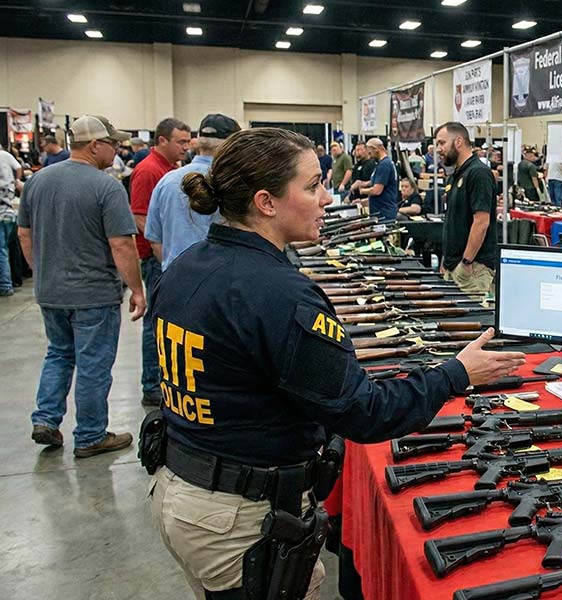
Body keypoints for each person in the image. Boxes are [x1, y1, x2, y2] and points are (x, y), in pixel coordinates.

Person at [150, 126, 525, 599]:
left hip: (186, 491)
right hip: (237, 518)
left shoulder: (187, 266)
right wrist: (455, 373)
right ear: (266, 202)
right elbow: (363, 412)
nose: (326, 198)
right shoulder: (280, 294)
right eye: (311, 187)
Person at [18, 115, 144, 457]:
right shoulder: (107, 187)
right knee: (93, 363)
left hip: (51, 291)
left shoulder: (37, 182)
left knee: (58, 353)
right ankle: (90, 435)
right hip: (93, 293)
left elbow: (24, 234)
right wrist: (136, 288)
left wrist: (42, 271)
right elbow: (121, 244)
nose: (117, 149)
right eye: (113, 143)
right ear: (94, 146)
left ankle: (46, 419)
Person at [130, 117, 191, 407]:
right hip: (158, 260)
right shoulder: (148, 171)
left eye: (187, 141)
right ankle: (152, 384)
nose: (186, 147)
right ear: (162, 140)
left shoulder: (169, 170)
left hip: (166, 259)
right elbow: (141, 219)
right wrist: (165, 257)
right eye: (180, 141)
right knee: (156, 324)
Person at [144, 113, 240, 272]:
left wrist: (176, 271)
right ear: (232, 146)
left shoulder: (167, 182)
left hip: (175, 281)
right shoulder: (235, 184)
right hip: (223, 282)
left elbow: (155, 240)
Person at [436, 121, 499, 296]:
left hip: (472, 269)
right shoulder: (456, 174)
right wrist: (446, 262)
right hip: (453, 266)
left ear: (458, 142)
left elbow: (481, 222)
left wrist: (466, 262)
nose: (438, 149)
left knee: (473, 320)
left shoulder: (478, 173)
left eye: (442, 143)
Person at [351, 138, 399, 220]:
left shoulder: (384, 165)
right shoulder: (381, 164)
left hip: (384, 213)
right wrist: (364, 185)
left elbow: (377, 190)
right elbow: (378, 182)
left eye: (369, 152)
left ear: (375, 149)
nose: (369, 155)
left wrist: (362, 190)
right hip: (378, 211)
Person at [0, 142, 22, 296]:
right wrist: (15, 182)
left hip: (2, 212)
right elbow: (18, 168)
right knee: (8, 249)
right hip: (9, 212)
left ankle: (5, 285)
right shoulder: (6, 156)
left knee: (2, 251)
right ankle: (11, 281)